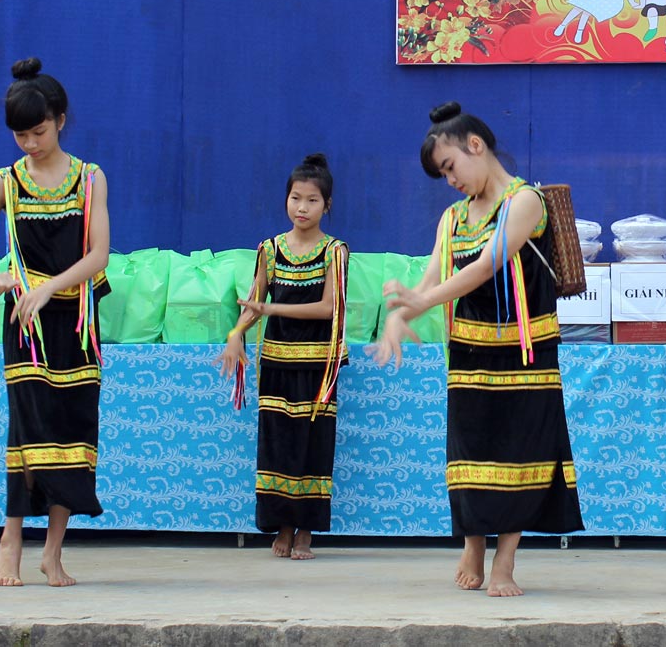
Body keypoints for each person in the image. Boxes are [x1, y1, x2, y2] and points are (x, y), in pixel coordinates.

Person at [371, 102, 583, 597]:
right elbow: (432, 275)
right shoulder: (453, 218)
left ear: (475, 145)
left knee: (521, 454)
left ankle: (505, 561)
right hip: (469, 352)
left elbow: (488, 265)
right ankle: (472, 545)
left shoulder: (525, 201)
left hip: (526, 354)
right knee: (471, 454)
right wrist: (400, 316)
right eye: (442, 175)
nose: (450, 181)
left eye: (450, 167)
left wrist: (420, 302)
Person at [0, 57, 110, 587]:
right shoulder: (6, 182)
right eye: (21, 135)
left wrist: (50, 286)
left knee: (73, 428)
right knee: (28, 428)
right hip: (25, 322)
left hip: (76, 319)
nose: (30, 143)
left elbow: (98, 255)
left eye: (38, 131)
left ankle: (53, 551)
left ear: (61, 120)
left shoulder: (90, 179)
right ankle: (10, 542)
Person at [218, 154, 348, 561]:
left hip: (317, 366)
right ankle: (284, 526)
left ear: (327, 205)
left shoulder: (335, 251)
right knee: (278, 443)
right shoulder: (269, 249)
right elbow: (254, 302)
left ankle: (305, 529)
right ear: (286, 199)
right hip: (276, 361)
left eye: (312, 200)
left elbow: (328, 308)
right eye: (296, 198)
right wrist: (236, 335)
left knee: (312, 444)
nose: (302, 208)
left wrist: (271, 309)